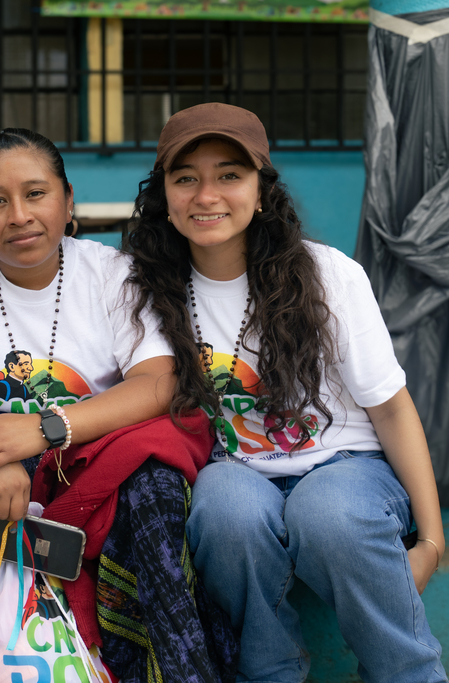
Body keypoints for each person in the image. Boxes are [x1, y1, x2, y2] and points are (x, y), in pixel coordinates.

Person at [0, 128, 238, 683]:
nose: (18, 215)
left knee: (157, 484)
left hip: (92, 467)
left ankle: (168, 670)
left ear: (68, 201)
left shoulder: (113, 274)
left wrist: (47, 429)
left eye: (36, 194)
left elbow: (158, 383)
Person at [122, 102, 447, 682]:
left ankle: (408, 673)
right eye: (186, 178)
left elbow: (392, 407)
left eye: (229, 175)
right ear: (163, 196)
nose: (207, 195)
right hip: (235, 470)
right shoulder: (146, 289)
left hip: (349, 465)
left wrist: (431, 538)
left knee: (329, 512)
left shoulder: (327, 274)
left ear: (262, 190)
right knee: (224, 509)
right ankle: (269, 673)